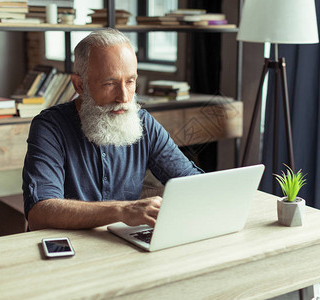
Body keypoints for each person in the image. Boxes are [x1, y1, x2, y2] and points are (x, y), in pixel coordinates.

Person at [22, 28, 203, 231]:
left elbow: (190, 182)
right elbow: (40, 212)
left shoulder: (144, 123)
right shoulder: (49, 127)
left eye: (130, 81)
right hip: (68, 249)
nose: (124, 97)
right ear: (79, 85)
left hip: (122, 246)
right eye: (110, 83)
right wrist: (122, 211)